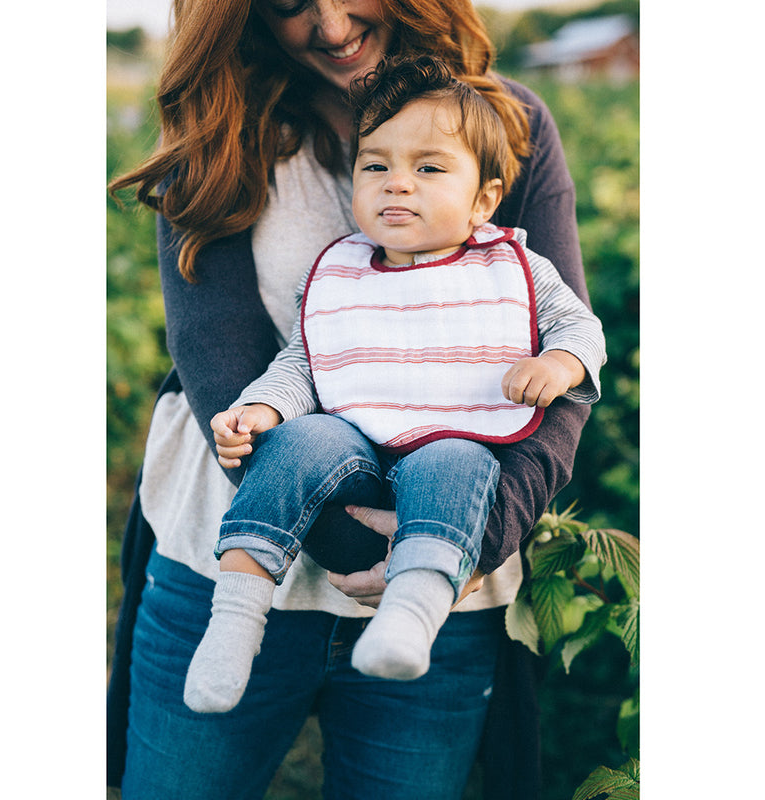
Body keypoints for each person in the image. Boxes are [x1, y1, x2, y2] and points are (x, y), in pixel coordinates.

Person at [107, 1, 599, 798]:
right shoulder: (219, 138)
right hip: (230, 540)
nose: (331, 27)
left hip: (445, 576)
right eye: (290, 4)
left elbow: (563, 359)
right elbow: (223, 361)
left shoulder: (507, 122)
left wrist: (469, 535)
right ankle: (237, 615)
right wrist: (348, 542)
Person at [182, 55, 606, 715]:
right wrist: (262, 407)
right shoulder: (341, 273)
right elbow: (308, 361)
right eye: (375, 166)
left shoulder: (513, 266)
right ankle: (236, 615)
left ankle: (411, 612)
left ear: (484, 199)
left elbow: (580, 330)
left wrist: (556, 367)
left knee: (458, 459)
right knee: (298, 441)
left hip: (451, 437)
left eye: (429, 168)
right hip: (348, 451)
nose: (397, 185)